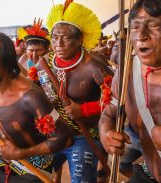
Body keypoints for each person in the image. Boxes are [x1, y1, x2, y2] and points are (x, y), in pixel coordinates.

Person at [99, 0, 161, 182]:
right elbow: (109, 114)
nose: (141, 36)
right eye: (135, 27)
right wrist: (105, 133)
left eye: (154, 26)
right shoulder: (127, 72)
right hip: (149, 176)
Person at [0, 32, 73, 183]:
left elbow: (65, 137)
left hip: (32, 170)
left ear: (7, 62)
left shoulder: (30, 97)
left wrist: (22, 153)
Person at [37, 1, 113, 182]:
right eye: (54, 38)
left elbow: (119, 100)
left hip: (85, 136)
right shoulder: (45, 63)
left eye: (67, 38)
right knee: (33, 174)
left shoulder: (93, 66)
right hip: (54, 134)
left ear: (80, 39)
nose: (59, 44)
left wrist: (85, 110)